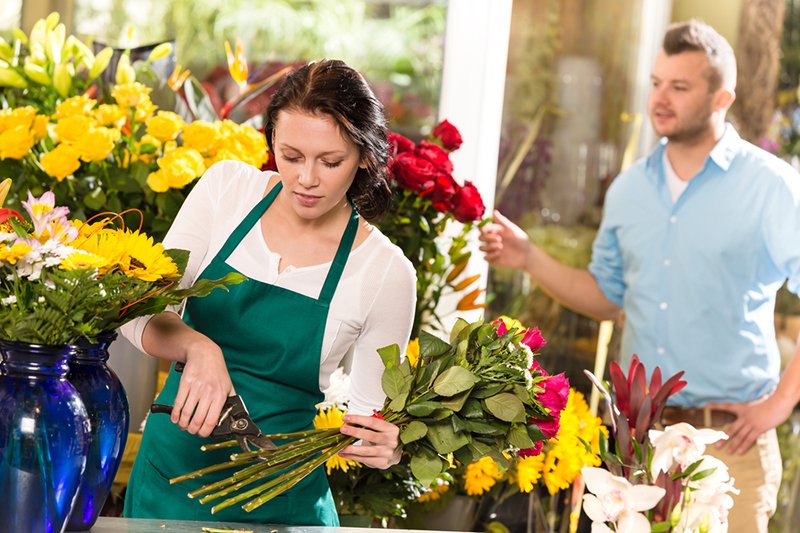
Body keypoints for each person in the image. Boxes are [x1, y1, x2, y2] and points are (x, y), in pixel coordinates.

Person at [480, 20, 800, 533]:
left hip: (728, 450)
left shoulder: (772, 187)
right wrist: (530, 259)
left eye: (680, 86)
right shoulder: (629, 190)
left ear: (722, 98)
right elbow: (609, 298)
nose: (661, 98)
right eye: (655, 83)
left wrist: (779, 405)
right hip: (636, 448)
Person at [121, 59, 416, 526]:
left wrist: (387, 447)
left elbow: (369, 422)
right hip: (168, 483)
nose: (306, 178)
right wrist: (197, 346)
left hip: (286, 503)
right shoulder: (226, 192)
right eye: (291, 155)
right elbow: (139, 313)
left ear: (364, 157)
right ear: (271, 142)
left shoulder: (384, 272)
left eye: (330, 161)